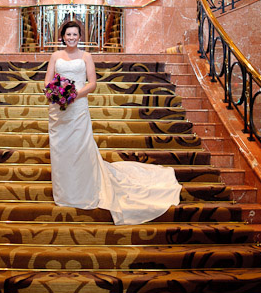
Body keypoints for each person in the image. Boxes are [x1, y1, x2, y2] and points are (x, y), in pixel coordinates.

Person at [44, 20, 182, 225]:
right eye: (68, 35)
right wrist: (57, 94)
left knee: (79, 148)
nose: (71, 38)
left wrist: (73, 95)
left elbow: (92, 84)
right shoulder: (55, 56)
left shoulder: (86, 56)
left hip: (78, 107)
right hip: (59, 111)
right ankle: (64, 192)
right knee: (61, 149)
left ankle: (83, 189)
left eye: (74, 35)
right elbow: (47, 82)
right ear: (62, 36)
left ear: (79, 37)